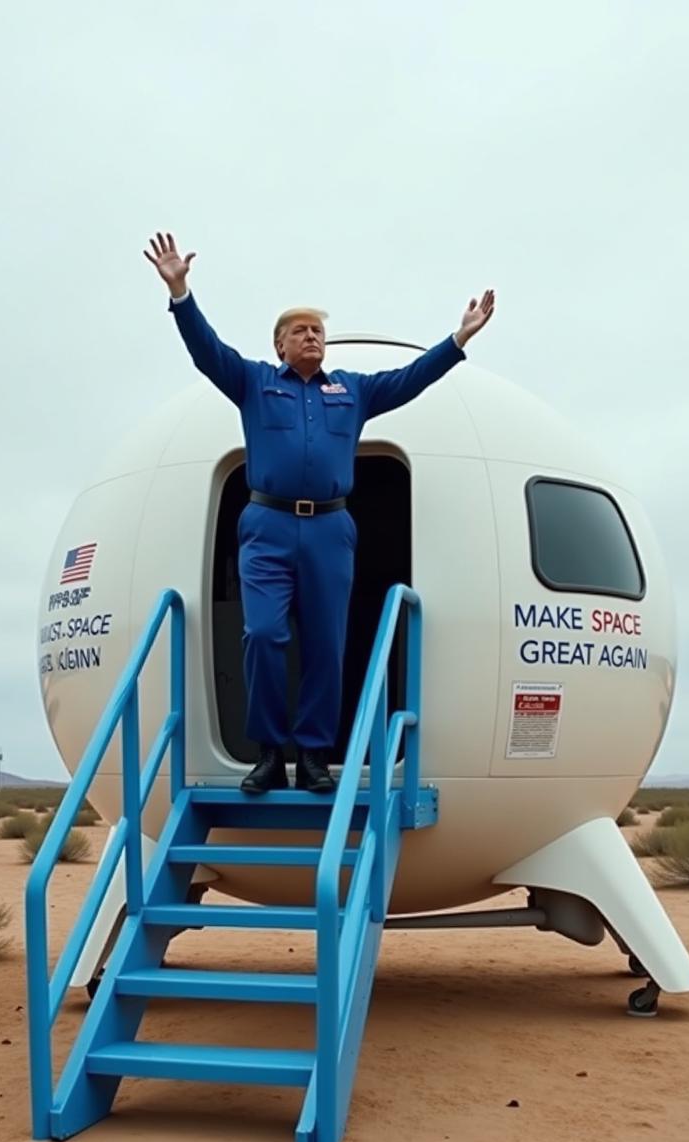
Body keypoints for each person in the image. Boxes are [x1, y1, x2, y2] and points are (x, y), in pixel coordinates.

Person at [144, 231, 495, 795]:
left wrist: (457, 340)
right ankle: (267, 752)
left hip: (331, 527)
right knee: (262, 634)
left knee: (328, 643)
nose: (312, 338)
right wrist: (181, 293)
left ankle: (311, 756)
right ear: (280, 345)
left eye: (318, 332)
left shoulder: (351, 391)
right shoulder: (254, 383)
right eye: (300, 331)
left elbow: (410, 381)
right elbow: (206, 351)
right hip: (267, 525)